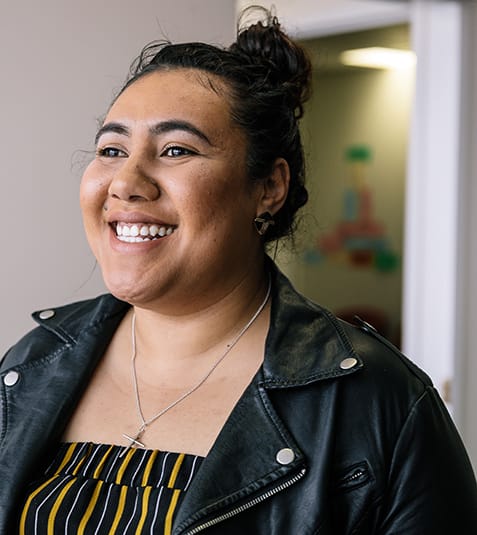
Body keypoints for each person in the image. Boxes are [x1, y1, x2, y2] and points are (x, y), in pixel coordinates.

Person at [1, 8, 476, 535]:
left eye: (176, 149)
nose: (127, 182)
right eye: (112, 149)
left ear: (268, 187)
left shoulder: (380, 403)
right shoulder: (33, 363)